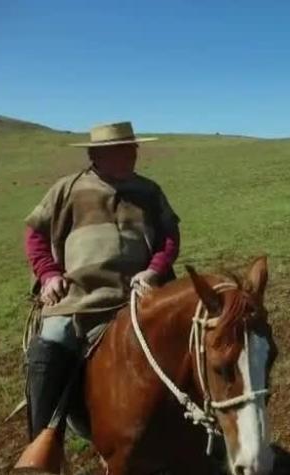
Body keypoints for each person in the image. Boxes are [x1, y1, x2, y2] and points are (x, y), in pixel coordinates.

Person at [22, 121, 180, 441]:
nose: (131, 155)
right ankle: (42, 442)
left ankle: (203, 428)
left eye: (132, 149)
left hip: (139, 291)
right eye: (122, 150)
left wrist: (153, 270)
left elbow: (169, 237)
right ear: (96, 154)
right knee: (50, 342)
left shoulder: (149, 191)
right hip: (78, 297)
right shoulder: (67, 188)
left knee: (189, 338)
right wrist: (49, 275)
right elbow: (35, 234)